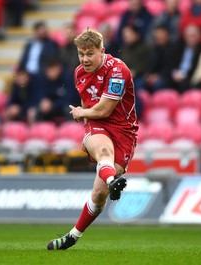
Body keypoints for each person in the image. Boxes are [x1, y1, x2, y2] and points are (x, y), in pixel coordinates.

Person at [47, 29, 138, 250]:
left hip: (123, 130)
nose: (85, 59)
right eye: (81, 54)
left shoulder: (118, 70)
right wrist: (89, 134)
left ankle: (73, 235)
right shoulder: (79, 72)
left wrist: (80, 113)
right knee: (104, 154)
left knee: (98, 196)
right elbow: (89, 105)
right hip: (98, 124)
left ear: (102, 51)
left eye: (90, 54)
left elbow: (105, 109)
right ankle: (112, 180)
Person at [168, 24, 201, 93]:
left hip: (190, 76)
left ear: (199, 37)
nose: (190, 38)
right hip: (176, 73)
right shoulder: (179, 47)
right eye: (188, 36)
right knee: (165, 83)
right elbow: (171, 62)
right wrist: (174, 72)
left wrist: (183, 75)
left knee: (185, 84)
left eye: (193, 36)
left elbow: (198, 68)